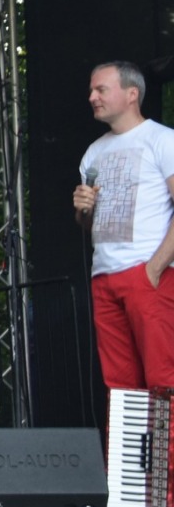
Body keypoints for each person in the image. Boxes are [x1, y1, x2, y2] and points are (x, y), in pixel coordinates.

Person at [75, 60, 174, 390]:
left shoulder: (162, 140)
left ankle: (167, 432)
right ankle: (126, 432)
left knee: (163, 376)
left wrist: (154, 269)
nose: (92, 97)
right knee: (119, 384)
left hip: (147, 271)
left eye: (101, 89)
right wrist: (84, 210)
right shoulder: (93, 152)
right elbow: (88, 224)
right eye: (91, 90)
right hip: (104, 275)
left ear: (132, 94)